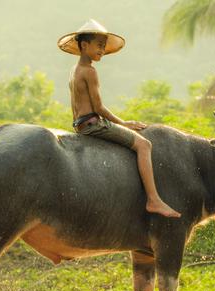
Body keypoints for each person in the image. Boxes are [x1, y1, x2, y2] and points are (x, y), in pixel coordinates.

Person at [58, 19, 180, 218]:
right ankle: (153, 200)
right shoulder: (89, 71)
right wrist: (123, 123)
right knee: (144, 145)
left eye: (104, 46)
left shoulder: (74, 70)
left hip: (79, 124)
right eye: (99, 45)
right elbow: (98, 107)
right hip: (93, 125)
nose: (102, 50)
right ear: (84, 45)